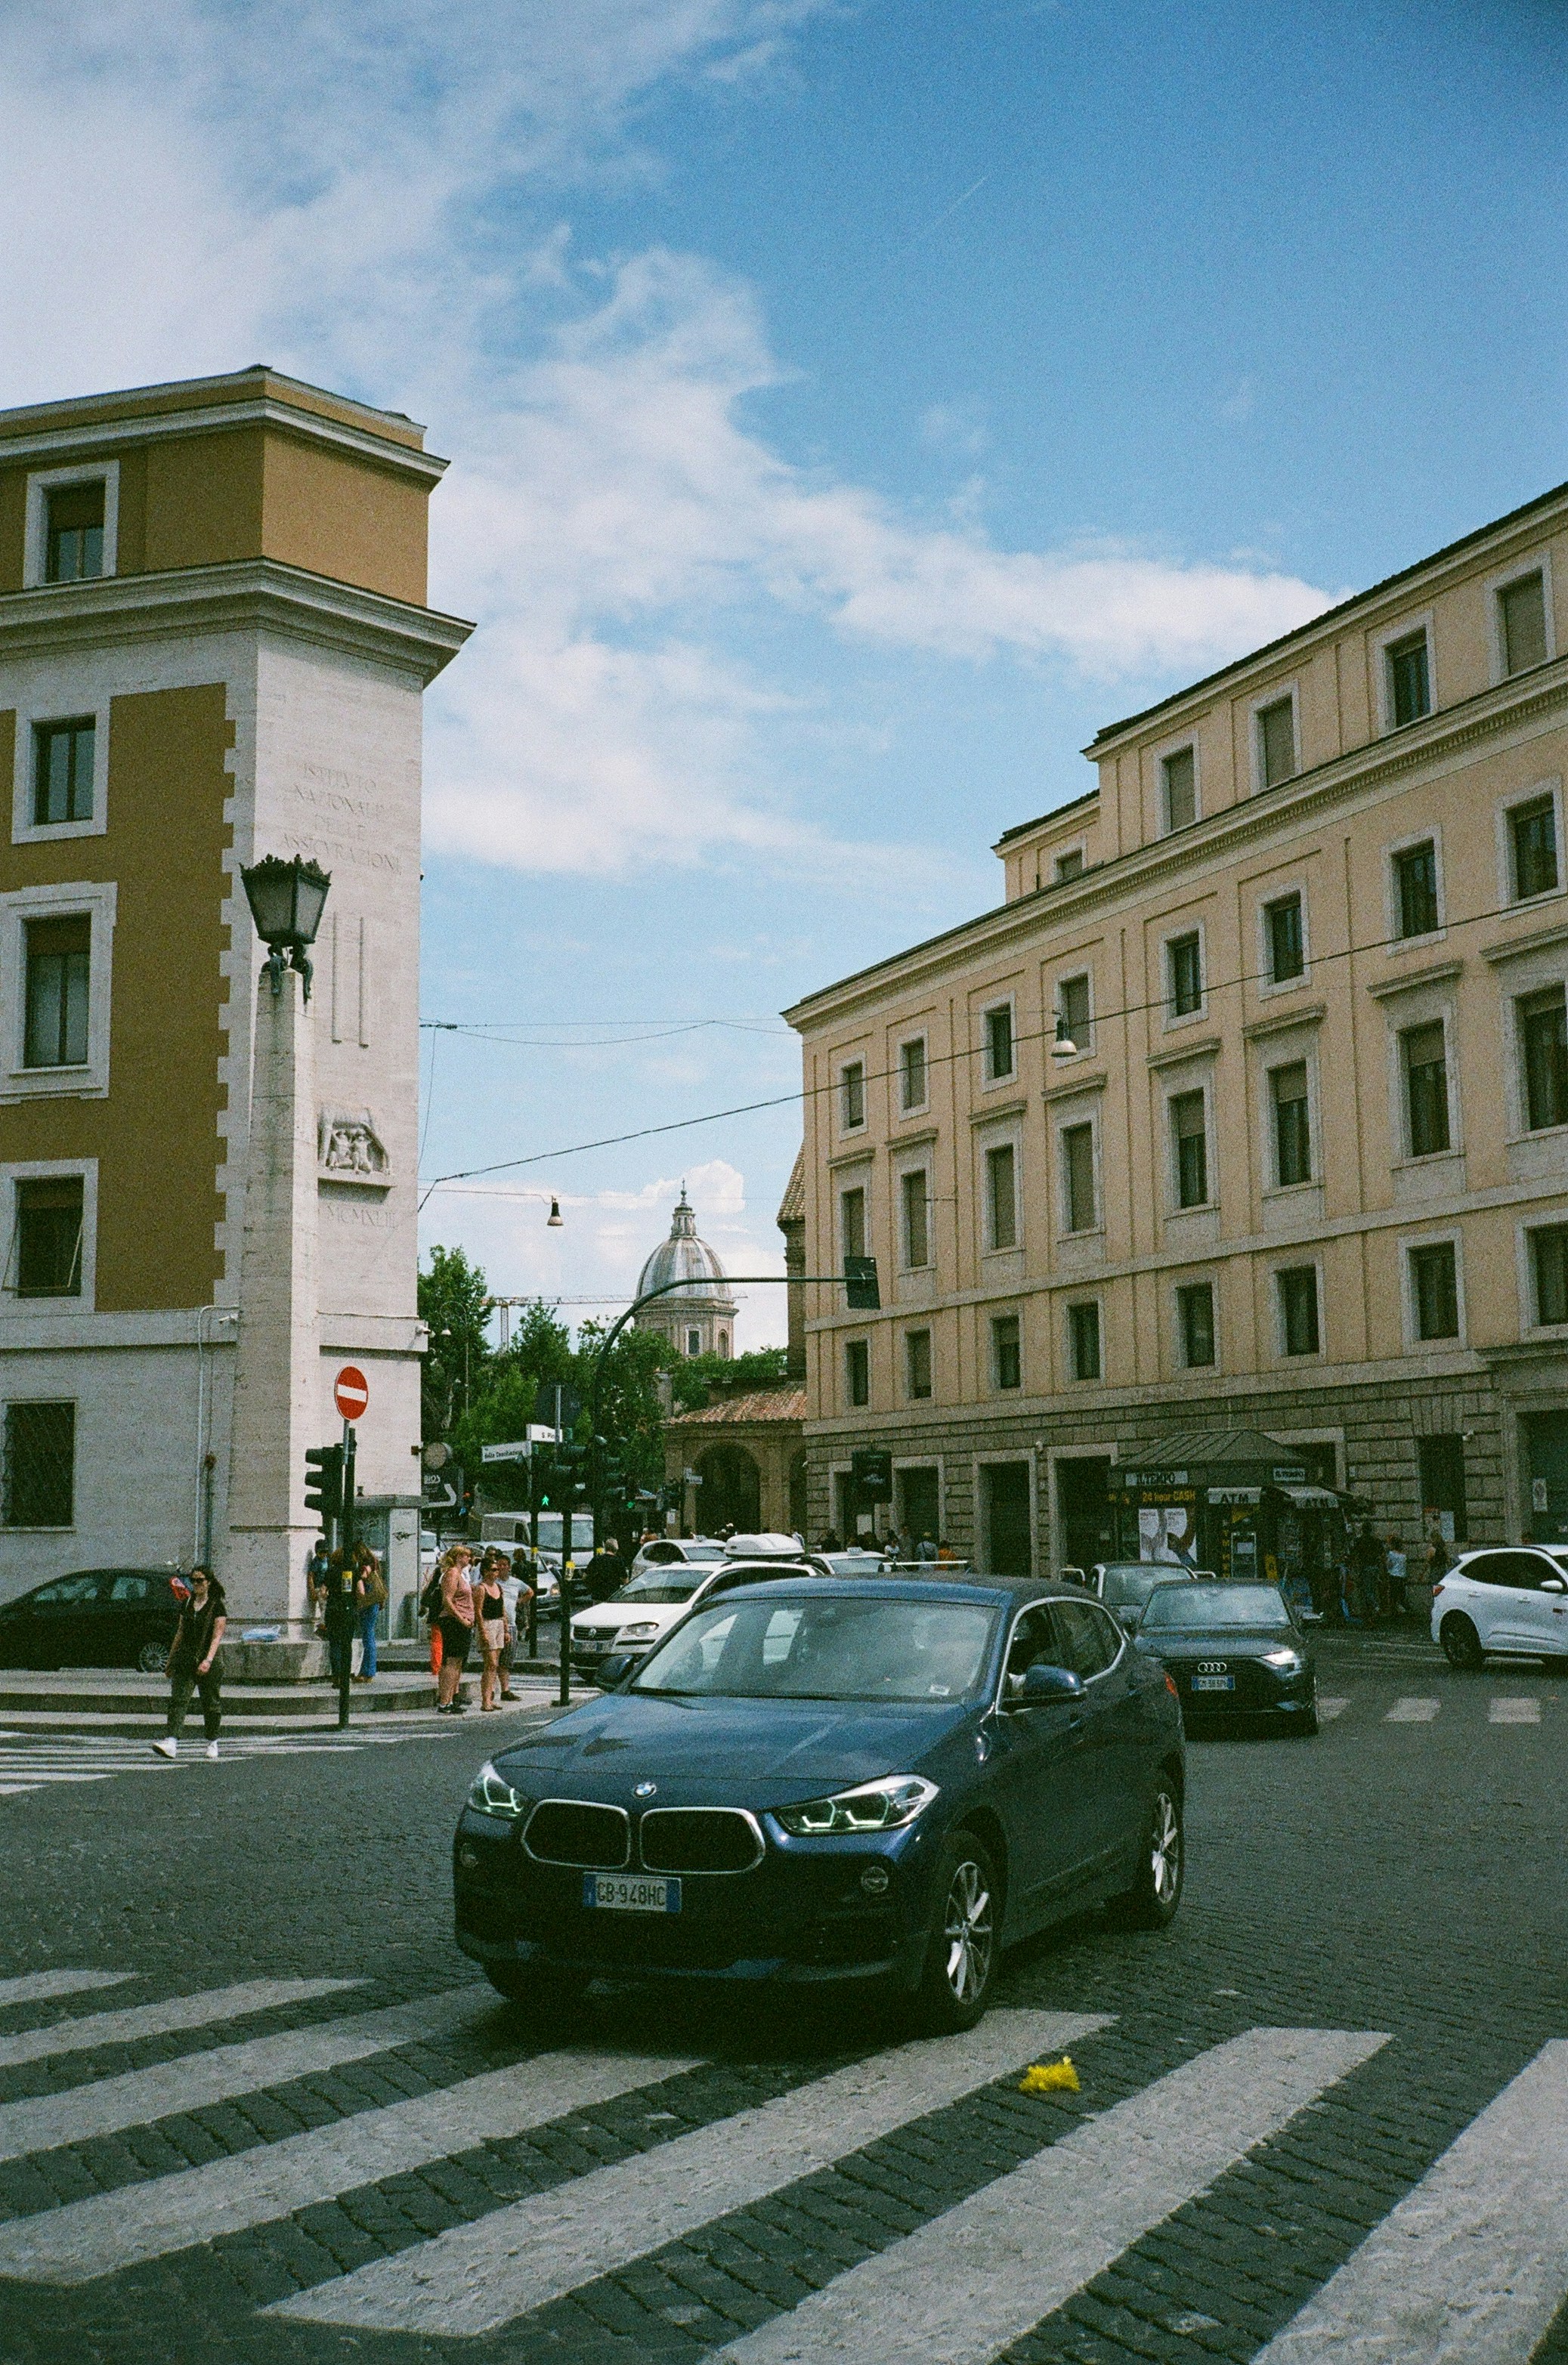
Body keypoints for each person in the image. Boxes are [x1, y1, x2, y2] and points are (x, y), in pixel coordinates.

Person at [153, 1564, 227, 1761]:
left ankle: (212, 1741)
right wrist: (170, 1659)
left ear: (208, 1582)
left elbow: (217, 1636)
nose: (196, 1584)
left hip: (208, 1659)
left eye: (200, 1580)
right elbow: (180, 1632)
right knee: (178, 1700)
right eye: (193, 1580)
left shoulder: (216, 1605)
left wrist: (208, 1660)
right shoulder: (187, 1604)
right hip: (186, 1658)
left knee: (210, 1703)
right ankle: (171, 1741)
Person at [436, 1544, 476, 1714]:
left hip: (462, 1621)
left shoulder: (460, 1574)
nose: (468, 1559)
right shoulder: (452, 1573)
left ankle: (451, 1699)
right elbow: (447, 1600)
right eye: (466, 1556)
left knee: (457, 1661)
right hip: (454, 1621)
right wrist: (461, 1619)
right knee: (451, 1661)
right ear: (458, 1557)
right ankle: (445, 1701)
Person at [474, 1552, 510, 1712]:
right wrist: (482, 1632)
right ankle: (485, 1700)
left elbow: (502, 1610)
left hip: (498, 1625)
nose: (497, 1572)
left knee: (495, 1666)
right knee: (490, 1664)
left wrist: (506, 1629)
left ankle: (490, 1698)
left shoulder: (498, 1587)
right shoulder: (481, 1589)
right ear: (486, 1571)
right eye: (494, 1570)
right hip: (487, 1625)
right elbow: (478, 1611)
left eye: (497, 1570)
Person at [497, 1551, 531, 1700]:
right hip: (496, 1624)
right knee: (493, 1661)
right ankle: (490, 1691)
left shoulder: (515, 1582)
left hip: (511, 1625)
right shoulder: (492, 1582)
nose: (502, 1568)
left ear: (509, 1567)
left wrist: (519, 1602)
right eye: (499, 1565)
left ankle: (505, 1690)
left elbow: (530, 1592)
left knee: (506, 1660)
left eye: (505, 1565)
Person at [351, 1542, 386, 1681]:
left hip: (368, 1602)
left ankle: (368, 1671)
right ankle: (367, 1671)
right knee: (369, 1635)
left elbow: (363, 1578)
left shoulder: (365, 1564)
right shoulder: (374, 1561)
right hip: (374, 1602)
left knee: (368, 1635)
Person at [582, 1536, 623, 1603]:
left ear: (605, 1548)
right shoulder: (618, 1561)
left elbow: (584, 1576)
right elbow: (625, 1580)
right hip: (612, 1595)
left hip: (597, 1595)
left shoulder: (596, 1559)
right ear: (616, 1549)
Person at [1385, 1534, 1408, 1621]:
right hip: (1402, 1577)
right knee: (1401, 1595)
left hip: (1393, 1576)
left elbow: (1389, 1565)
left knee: (1393, 1596)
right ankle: (1403, 1612)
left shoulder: (1391, 1554)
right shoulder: (1403, 1556)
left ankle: (1394, 1614)